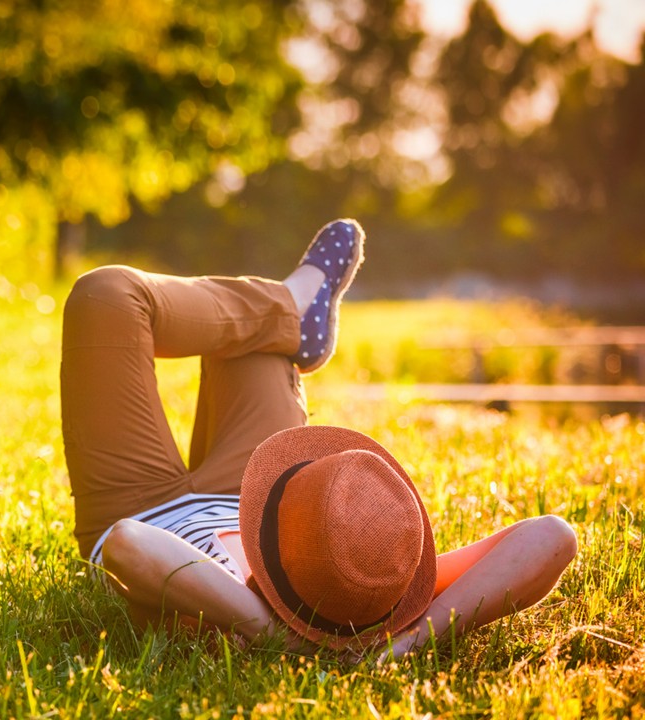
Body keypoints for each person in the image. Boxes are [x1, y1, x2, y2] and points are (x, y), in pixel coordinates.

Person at [59, 219, 578, 657]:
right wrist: (414, 639)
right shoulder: (375, 595)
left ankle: (289, 301)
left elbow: (131, 543)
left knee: (104, 296)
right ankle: (287, 310)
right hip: (262, 503)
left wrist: (278, 634)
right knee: (253, 341)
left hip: (143, 504)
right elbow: (552, 537)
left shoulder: (228, 614)